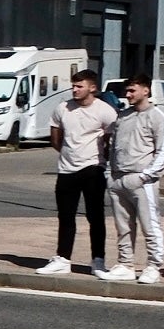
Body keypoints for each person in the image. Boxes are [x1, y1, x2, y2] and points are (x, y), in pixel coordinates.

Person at [37, 70, 118, 276]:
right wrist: (67, 154)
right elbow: (55, 138)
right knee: (65, 216)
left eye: (79, 86)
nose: (75, 90)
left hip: (93, 169)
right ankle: (63, 258)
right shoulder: (62, 108)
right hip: (66, 170)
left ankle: (98, 260)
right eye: (73, 86)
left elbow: (112, 139)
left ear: (92, 88)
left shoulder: (105, 111)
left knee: (95, 216)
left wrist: (103, 159)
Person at [100, 76, 164, 284]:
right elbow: (112, 147)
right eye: (127, 90)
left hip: (142, 181)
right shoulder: (122, 116)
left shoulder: (158, 117)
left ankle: (153, 266)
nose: (128, 94)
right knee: (123, 226)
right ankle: (125, 264)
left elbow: (163, 151)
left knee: (150, 225)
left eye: (132, 90)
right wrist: (109, 173)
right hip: (117, 179)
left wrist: (145, 176)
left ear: (146, 91)